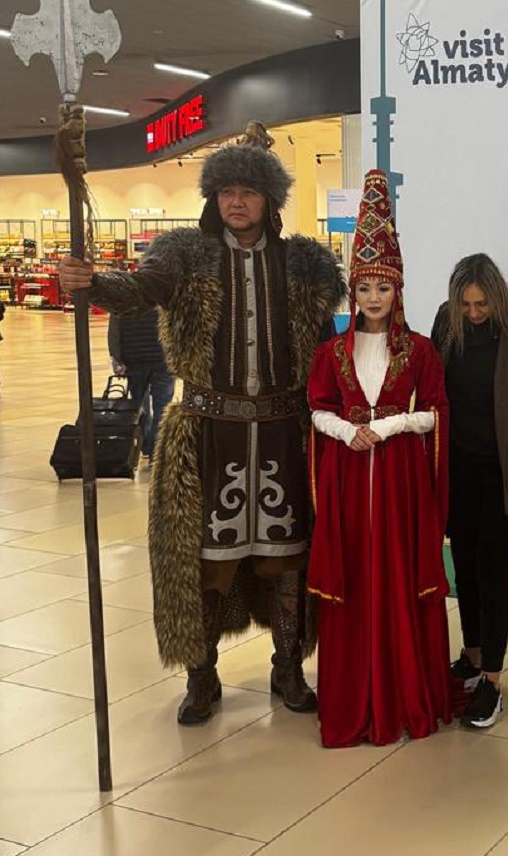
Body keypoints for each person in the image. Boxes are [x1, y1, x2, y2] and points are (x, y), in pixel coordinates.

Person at [56, 123, 343, 725]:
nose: (236, 202)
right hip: (208, 435)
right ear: (214, 197)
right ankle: (202, 674)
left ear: (269, 200)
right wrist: (94, 283)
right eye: (226, 191)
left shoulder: (302, 264)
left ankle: (288, 669)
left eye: (249, 191)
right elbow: (142, 290)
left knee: (288, 562)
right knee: (206, 564)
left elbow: (327, 350)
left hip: (285, 435)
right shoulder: (185, 254)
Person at [307, 168, 451, 747]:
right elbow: (316, 408)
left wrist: (387, 426)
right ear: (353, 291)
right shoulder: (330, 352)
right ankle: (353, 696)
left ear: (398, 291)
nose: (373, 299)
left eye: (383, 289)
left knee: (396, 576)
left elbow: (435, 413)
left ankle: (402, 693)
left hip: (399, 481)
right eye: (364, 288)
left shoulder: (420, 350)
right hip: (347, 478)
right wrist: (348, 433)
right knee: (355, 577)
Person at [431, 253, 508, 728]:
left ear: (497, 297)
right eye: (466, 305)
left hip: (502, 473)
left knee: (494, 575)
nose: (473, 313)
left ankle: (492, 679)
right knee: (466, 571)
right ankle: (472, 657)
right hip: (457, 470)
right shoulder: (446, 321)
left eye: (482, 305)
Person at [107, 307, 175, 465]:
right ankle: (156, 450)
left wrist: (117, 357)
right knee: (162, 406)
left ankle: (145, 445)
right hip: (163, 359)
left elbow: (114, 331)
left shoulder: (123, 299)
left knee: (139, 405)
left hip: (134, 359)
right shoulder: (164, 297)